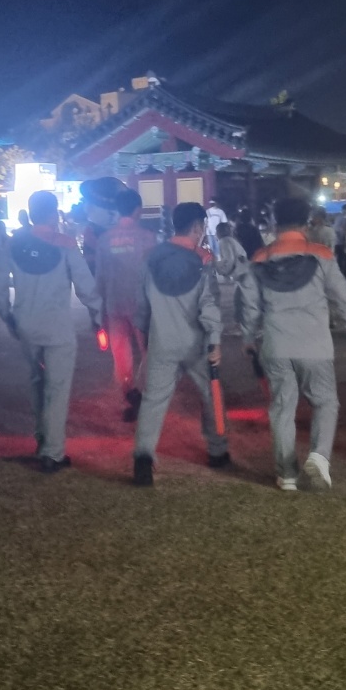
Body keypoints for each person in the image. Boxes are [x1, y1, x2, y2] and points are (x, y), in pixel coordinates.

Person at [240, 195, 346, 492]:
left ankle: (286, 475)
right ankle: (319, 456)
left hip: (275, 343)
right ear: (306, 223)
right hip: (315, 344)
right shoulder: (321, 255)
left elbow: (249, 306)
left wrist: (248, 337)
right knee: (325, 402)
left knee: (282, 408)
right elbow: (342, 296)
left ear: (275, 223)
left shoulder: (259, 258)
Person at [133, 202, 229, 487]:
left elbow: (141, 302)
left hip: (161, 339)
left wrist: (144, 332)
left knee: (153, 400)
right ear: (197, 227)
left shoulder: (151, 256)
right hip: (195, 342)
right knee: (210, 395)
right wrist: (215, 339)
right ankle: (217, 450)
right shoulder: (203, 259)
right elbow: (209, 303)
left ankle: (143, 458)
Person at [10, 190, 102, 471]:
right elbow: (85, 287)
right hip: (57, 326)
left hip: (26, 323)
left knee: (36, 381)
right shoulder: (66, 244)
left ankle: (41, 437)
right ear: (53, 214)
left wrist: (7, 316)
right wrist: (98, 315)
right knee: (57, 388)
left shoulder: (14, 243)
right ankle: (52, 452)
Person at [95, 188, 157, 420]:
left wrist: (98, 310)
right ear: (138, 210)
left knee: (120, 353)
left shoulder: (104, 239)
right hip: (141, 304)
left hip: (114, 303)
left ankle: (128, 393)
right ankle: (144, 393)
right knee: (149, 351)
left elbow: (100, 277)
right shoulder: (147, 237)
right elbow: (154, 274)